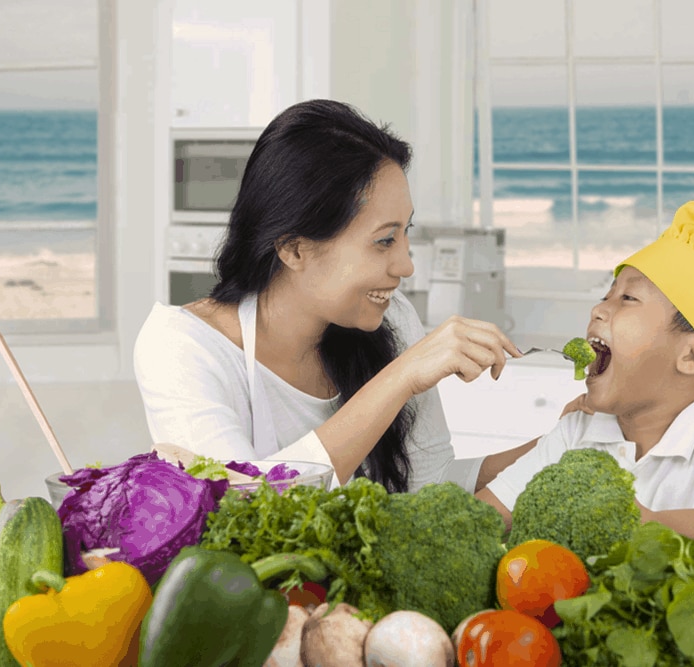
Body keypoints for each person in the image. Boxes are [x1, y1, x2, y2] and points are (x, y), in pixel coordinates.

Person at [134, 99, 526, 493]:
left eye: (406, 233)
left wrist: (563, 445)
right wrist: (401, 377)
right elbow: (245, 505)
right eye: (385, 240)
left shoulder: (391, 316)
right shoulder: (181, 348)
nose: (406, 266)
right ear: (294, 249)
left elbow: (431, 488)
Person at [476, 199, 694, 538]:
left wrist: (646, 522)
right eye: (607, 295)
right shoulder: (578, 430)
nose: (598, 309)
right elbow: (479, 518)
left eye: (628, 299)